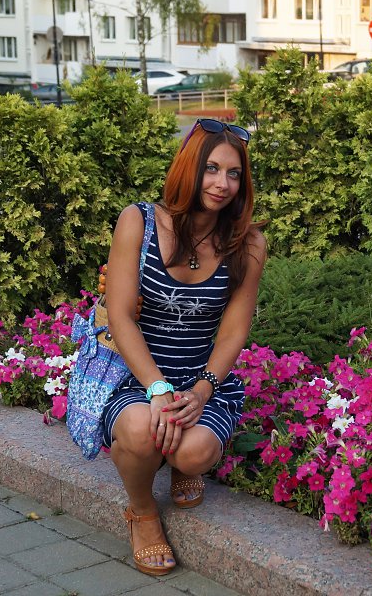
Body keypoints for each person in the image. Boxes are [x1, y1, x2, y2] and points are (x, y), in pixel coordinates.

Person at [103, 118, 266, 576]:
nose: (222, 184)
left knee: (193, 453)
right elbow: (120, 317)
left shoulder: (248, 243)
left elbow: (232, 333)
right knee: (141, 431)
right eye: (211, 168)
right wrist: (157, 389)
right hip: (138, 377)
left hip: (200, 383)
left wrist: (200, 391)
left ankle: (181, 461)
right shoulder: (138, 221)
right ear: (188, 168)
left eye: (234, 173)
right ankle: (142, 513)